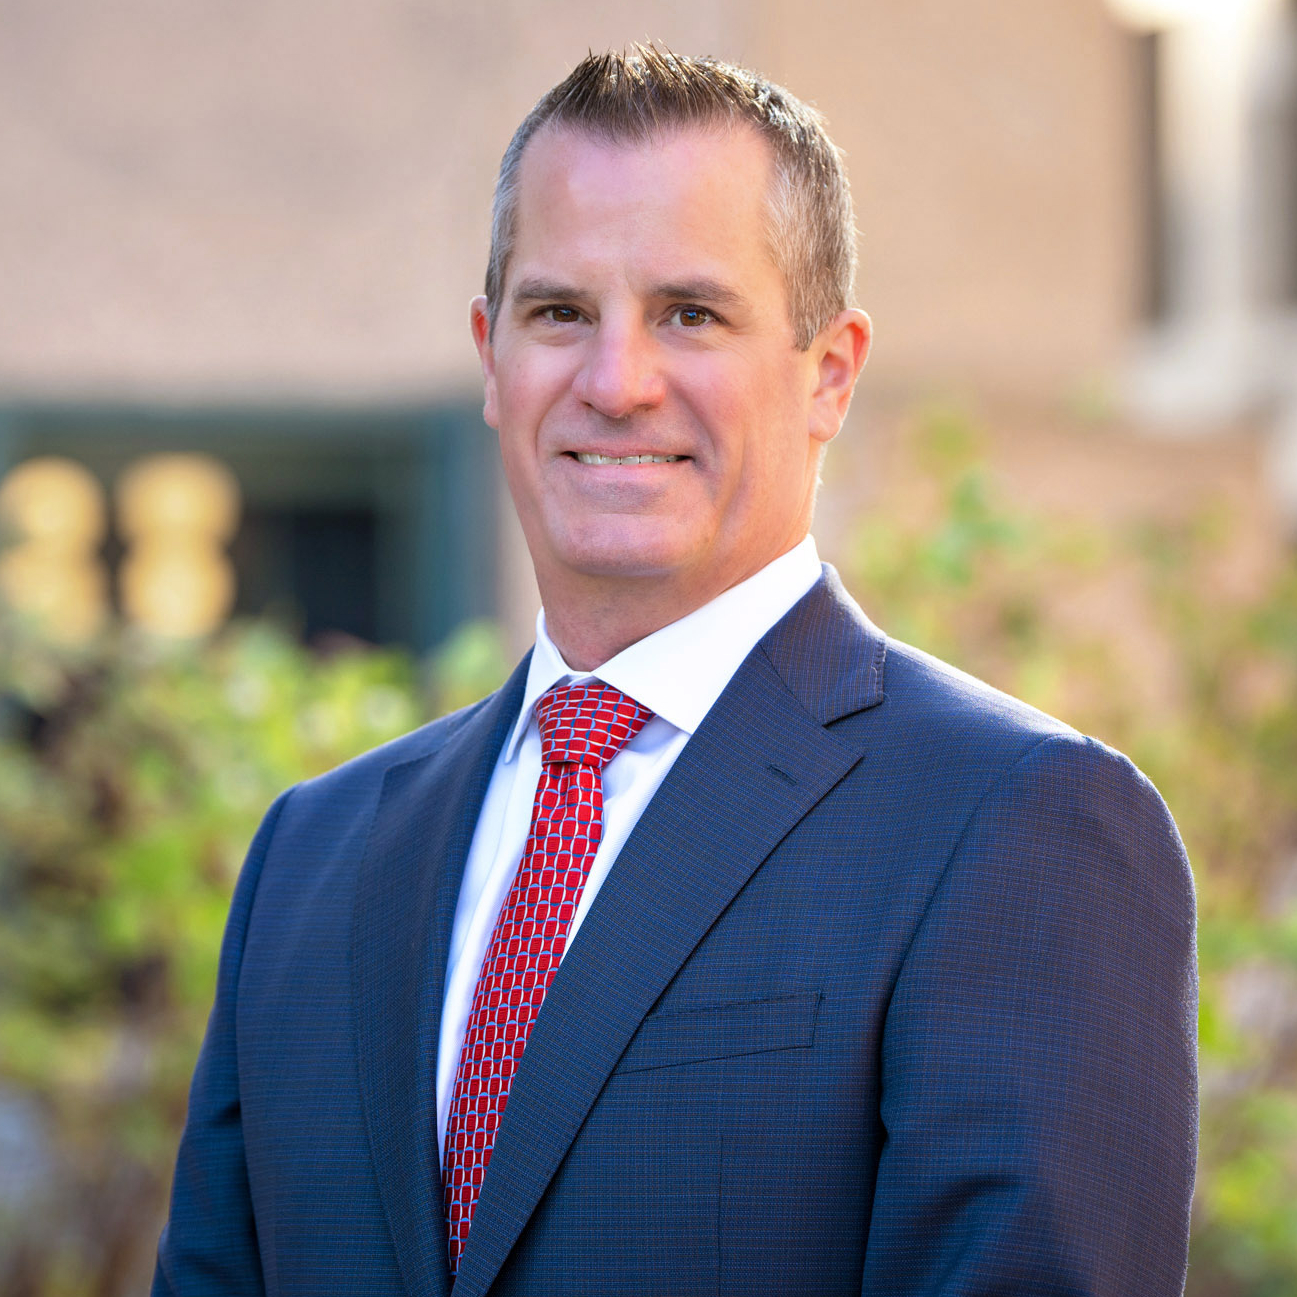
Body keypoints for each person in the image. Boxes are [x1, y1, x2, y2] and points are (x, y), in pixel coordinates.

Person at [153, 45, 1197, 1297]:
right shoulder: (310, 861)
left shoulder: (1018, 826)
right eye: (560, 314)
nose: (616, 382)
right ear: (492, 357)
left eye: (688, 314)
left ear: (829, 373)